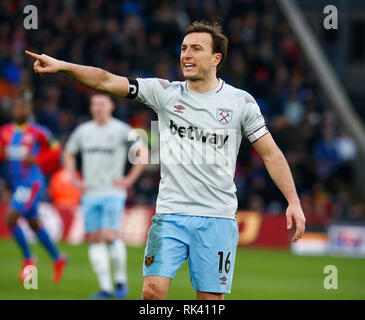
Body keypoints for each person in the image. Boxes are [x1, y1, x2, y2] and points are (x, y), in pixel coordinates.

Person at [25, 21, 306, 300]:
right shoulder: (165, 93)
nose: (187, 55)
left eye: (196, 49)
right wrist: (63, 65)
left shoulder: (240, 102)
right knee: (152, 293)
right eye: (184, 48)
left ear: (216, 58)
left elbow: (270, 153)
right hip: (170, 214)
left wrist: (293, 200)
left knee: (209, 300)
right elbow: (105, 80)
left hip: (217, 218)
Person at [63, 94, 148, 299]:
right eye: (94, 104)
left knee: (110, 235)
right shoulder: (83, 131)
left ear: (110, 106)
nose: (98, 108)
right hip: (90, 192)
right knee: (94, 238)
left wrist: (129, 180)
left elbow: (143, 153)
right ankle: (106, 288)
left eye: (102, 104)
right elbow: (68, 153)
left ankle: (121, 282)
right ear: (91, 108)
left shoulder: (121, 129)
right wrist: (74, 179)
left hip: (112, 192)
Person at [0, 98, 67, 283]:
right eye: (17, 107)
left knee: (11, 217)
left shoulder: (39, 131)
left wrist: (37, 158)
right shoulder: (5, 132)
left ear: (29, 111)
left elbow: (55, 148)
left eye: (23, 107)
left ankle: (29, 258)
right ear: (13, 111)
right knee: (33, 222)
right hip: (17, 184)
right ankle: (58, 257)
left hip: (32, 183)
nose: (19, 111)